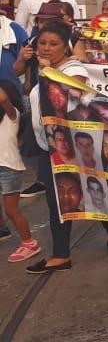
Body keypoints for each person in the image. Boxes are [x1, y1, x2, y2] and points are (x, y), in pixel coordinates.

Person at [24, 22, 108, 274]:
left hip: (76, 147)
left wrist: (48, 74)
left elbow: (66, 96)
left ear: (65, 47)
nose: (46, 48)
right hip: (48, 147)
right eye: (42, 43)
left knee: (91, 193)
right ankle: (61, 255)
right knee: (58, 200)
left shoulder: (74, 68)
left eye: (53, 44)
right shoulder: (43, 67)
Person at [0, 79, 40, 261]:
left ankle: (29, 243)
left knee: (11, 209)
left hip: (8, 167)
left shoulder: (12, 115)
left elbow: (3, 99)